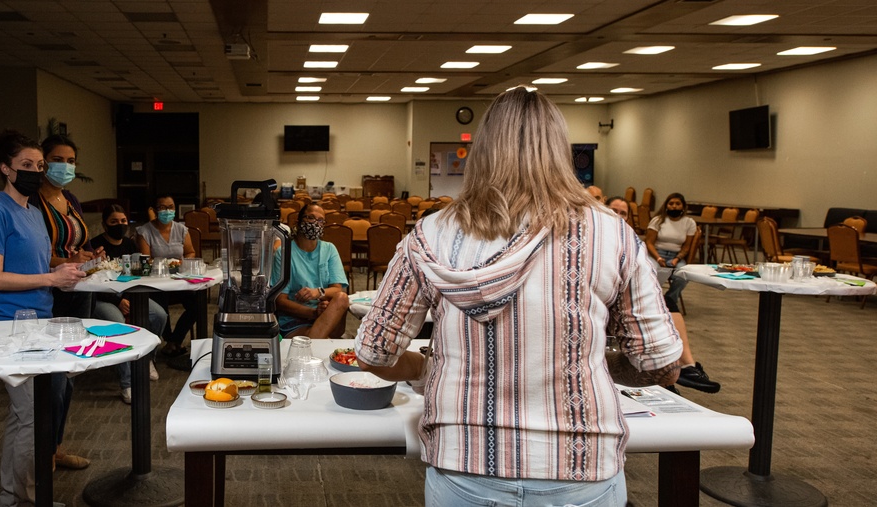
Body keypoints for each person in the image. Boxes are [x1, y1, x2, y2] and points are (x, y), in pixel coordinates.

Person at [354, 87, 682, 507]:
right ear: (559, 150)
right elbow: (662, 366)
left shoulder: (430, 235)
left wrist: (426, 368)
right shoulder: (612, 234)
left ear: (482, 151)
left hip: (466, 462)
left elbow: (372, 355)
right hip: (579, 466)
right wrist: (591, 361)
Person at [0, 130, 86, 506]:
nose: (35, 172)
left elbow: (38, 270)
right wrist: (52, 278)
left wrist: (64, 277)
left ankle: (15, 496)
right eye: (26, 166)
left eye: (39, 166)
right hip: (9, 325)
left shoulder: (34, 212)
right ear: (6, 169)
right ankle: (25, 499)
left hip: (40, 322)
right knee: (32, 416)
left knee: (32, 413)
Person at [29, 134, 97, 470]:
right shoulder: (31, 203)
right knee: (52, 380)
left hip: (77, 293)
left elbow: (71, 245)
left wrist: (84, 257)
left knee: (69, 373)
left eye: (71, 161)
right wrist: (65, 264)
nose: (66, 167)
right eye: (59, 159)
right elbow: (37, 256)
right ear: (43, 163)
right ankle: (41, 456)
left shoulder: (68, 198)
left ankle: (56, 447)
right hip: (49, 293)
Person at [608, 197, 719, 394]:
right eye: (613, 210)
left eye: (623, 213)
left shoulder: (628, 237)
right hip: (610, 292)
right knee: (660, 296)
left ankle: (685, 366)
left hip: (630, 287)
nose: (618, 215)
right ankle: (680, 371)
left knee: (668, 298)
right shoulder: (596, 237)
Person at [90, 204, 168, 403]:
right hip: (102, 298)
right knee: (118, 324)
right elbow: (91, 280)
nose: (120, 225)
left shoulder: (130, 244)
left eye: (123, 221)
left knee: (159, 315)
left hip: (130, 295)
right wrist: (117, 301)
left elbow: (137, 275)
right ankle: (127, 382)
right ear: (105, 224)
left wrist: (129, 298)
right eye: (114, 222)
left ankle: (148, 359)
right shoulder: (95, 245)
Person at [275, 203, 350, 339]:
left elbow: (337, 290)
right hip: (295, 321)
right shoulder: (284, 252)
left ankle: (317, 340)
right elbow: (280, 301)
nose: (315, 223)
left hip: (325, 314)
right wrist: (313, 312)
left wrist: (318, 293)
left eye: (320, 220)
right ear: (299, 221)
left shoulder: (329, 249)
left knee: (342, 298)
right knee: (317, 337)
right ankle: (316, 343)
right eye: (310, 218)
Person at [137, 194, 198, 358]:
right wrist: (164, 265)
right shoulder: (145, 231)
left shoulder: (181, 229)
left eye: (170, 207)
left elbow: (190, 252)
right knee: (161, 309)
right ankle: (170, 341)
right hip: (156, 282)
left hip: (179, 280)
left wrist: (183, 262)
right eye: (162, 207)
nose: (167, 211)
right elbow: (146, 259)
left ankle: (174, 341)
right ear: (155, 210)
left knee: (196, 304)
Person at [645, 192, 697, 306]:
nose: (674, 206)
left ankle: (669, 300)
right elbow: (649, 243)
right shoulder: (658, 220)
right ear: (666, 206)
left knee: (684, 274)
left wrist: (677, 259)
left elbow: (687, 246)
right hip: (656, 254)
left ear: (683, 206)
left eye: (678, 204)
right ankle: (651, 300)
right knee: (652, 270)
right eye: (671, 203)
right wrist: (658, 258)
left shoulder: (689, 223)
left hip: (676, 256)